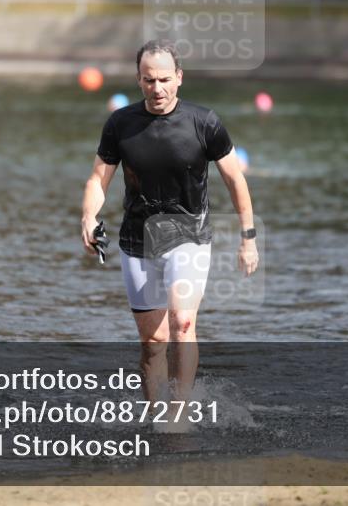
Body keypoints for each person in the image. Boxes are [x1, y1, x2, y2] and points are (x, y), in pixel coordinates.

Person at [80, 40, 258, 406]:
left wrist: (248, 238)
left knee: (183, 323)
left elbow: (235, 180)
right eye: (148, 80)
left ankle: (179, 412)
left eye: (163, 79)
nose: (156, 88)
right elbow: (98, 179)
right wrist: (88, 215)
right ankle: (155, 415)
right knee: (153, 344)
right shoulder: (120, 124)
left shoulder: (204, 122)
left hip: (189, 236)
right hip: (137, 241)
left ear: (179, 78)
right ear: (138, 80)